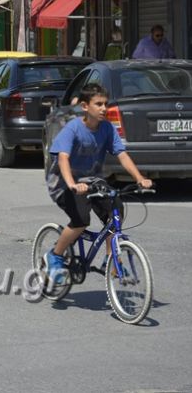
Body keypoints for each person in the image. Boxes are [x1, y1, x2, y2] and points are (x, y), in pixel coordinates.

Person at [44, 83, 153, 283]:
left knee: (115, 212)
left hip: (92, 181)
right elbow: (63, 158)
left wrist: (140, 178)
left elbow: (122, 155)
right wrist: (72, 185)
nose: (104, 108)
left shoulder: (107, 128)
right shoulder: (73, 128)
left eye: (106, 104)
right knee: (81, 220)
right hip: (63, 183)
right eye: (99, 104)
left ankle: (110, 262)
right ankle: (55, 255)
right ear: (85, 107)